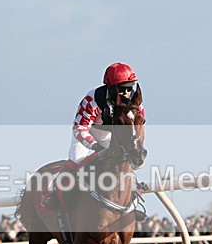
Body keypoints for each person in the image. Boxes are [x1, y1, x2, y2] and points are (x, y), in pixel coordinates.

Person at [42, 62, 146, 213]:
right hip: (88, 132)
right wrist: (93, 146)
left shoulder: (136, 105)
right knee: (76, 160)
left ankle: (133, 197)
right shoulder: (92, 99)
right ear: (112, 88)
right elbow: (79, 128)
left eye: (131, 87)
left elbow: (139, 129)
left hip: (110, 135)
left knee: (125, 158)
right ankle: (52, 192)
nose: (127, 93)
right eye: (123, 89)